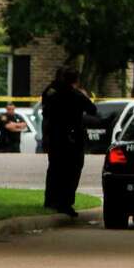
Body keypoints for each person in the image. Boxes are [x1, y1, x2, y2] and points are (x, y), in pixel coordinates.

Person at [41, 66, 97, 217]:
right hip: (72, 138)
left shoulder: (52, 93)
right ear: (76, 80)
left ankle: (52, 200)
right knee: (72, 171)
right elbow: (92, 109)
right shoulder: (75, 95)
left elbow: (45, 111)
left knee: (55, 169)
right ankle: (65, 203)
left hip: (55, 137)